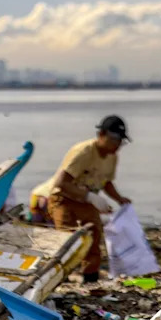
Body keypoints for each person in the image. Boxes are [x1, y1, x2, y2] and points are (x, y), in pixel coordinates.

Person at [47, 115, 133, 282]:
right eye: (114, 139)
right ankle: (58, 279)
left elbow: (107, 182)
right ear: (101, 135)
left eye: (120, 141)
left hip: (86, 201)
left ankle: (90, 278)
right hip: (64, 199)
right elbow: (61, 183)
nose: (117, 145)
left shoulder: (112, 157)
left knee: (94, 239)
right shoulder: (84, 151)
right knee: (67, 241)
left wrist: (119, 199)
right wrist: (89, 196)